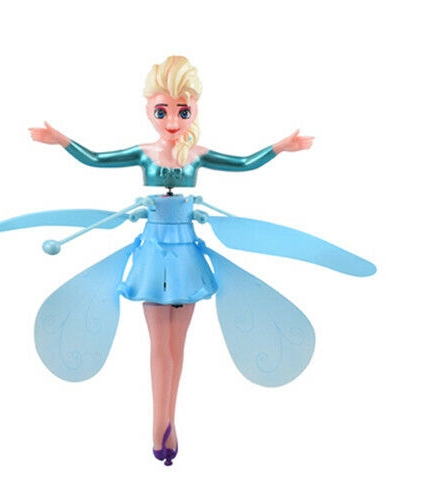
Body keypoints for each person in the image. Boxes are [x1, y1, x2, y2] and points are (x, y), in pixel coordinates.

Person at [29, 55, 313, 465]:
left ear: (195, 110)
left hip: (185, 256)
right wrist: (62, 140)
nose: (173, 121)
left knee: (176, 344)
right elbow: (96, 159)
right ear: (148, 110)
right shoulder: (143, 153)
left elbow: (243, 163)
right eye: (162, 111)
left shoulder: (197, 153)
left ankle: (167, 420)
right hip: (153, 254)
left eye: (183, 111)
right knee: (159, 343)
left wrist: (280, 148)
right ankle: (160, 422)